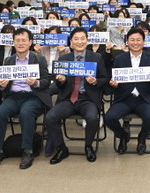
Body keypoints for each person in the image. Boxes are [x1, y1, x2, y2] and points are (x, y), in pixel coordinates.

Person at [0, 28, 51, 169]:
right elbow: (1, 84)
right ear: (13, 43)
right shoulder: (8, 60)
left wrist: (36, 82)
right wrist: (2, 85)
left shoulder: (39, 59)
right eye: (17, 40)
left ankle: (28, 151)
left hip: (33, 96)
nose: (21, 43)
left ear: (30, 42)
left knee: (26, 113)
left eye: (24, 40)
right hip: (13, 96)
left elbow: (47, 81)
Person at [46, 28, 109, 163]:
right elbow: (59, 84)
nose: (79, 42)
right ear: (71, 42)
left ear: (87, 41)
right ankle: (62, 148)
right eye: (76, 39)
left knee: (92, 118)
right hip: (68, 99)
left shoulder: (96, 58)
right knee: (50, 117)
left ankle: (88, 146)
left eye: (82, 38)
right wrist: (60, 81)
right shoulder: (64, 58)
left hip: (88, 98)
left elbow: (105, 79)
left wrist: (96, 81)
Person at [104, 28, 150, 155]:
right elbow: (113, 82)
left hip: (143, 98)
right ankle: (123, 136)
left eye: (138, 40)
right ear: (127, 42)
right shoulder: (119, 59)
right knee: (109, 118)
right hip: (124, 98)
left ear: (144, 42)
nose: (135, 43)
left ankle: (142, 138)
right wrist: (114, 84)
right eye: (132, 40)